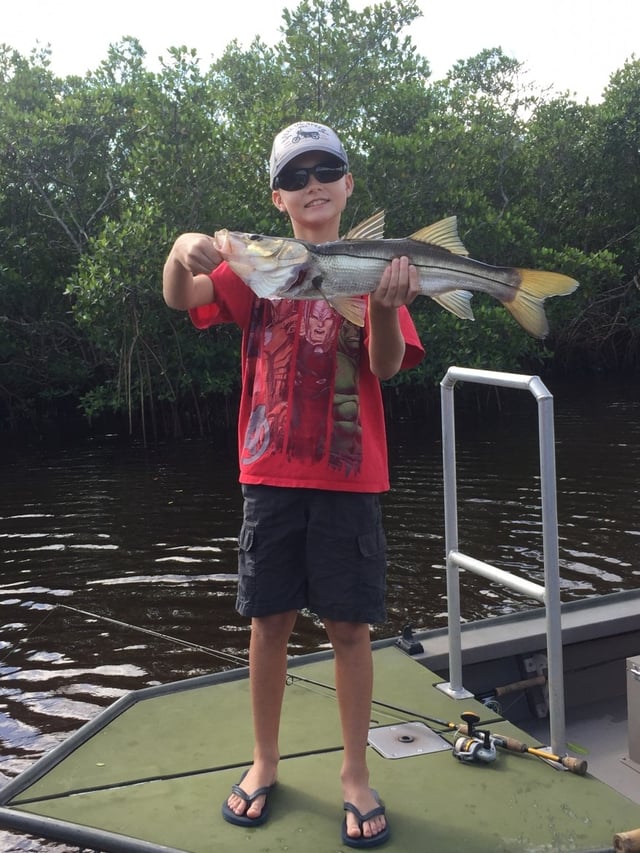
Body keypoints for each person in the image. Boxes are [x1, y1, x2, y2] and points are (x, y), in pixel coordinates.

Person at [162, 120, 424, 848]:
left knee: (349, 627)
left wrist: (382, 305)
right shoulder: (257, 273)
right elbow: (181, 298)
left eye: (324, 172)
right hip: (269, 474)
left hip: (351, 479)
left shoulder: (377, 263)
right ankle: (265, 760)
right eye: (295, 177)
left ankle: (353, 774)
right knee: (269, 621)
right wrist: (180, 253)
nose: (311, 186)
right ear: (278, 199)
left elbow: (386, 364)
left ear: (346, 185)